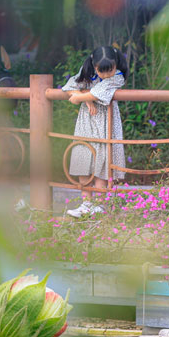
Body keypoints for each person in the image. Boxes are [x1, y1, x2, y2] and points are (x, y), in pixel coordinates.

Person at [63, 46, 128, 218]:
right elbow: (69, 85)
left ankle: (99, 205)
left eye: (110, 70)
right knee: (83, 157)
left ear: (115, 65)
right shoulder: (88, 69)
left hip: (106, 122)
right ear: (94, 64)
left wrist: (80, 97)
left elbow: (99, 93)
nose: (106, 75)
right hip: (87, 121)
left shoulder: (118, 76)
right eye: (102, 71)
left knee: (102, 159)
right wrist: (86, 101)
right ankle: (86, 204)